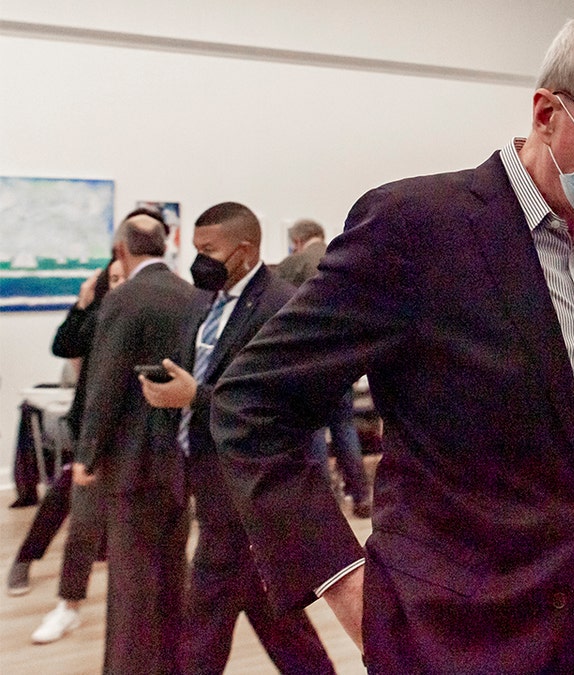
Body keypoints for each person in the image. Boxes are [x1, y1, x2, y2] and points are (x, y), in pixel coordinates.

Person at [211, 8, 574, 673]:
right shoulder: (417, 229)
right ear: (546, 113)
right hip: (445, 641)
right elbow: (250, 403)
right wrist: (345, 585)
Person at [138, 202, 335, 674]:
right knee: (265, 604)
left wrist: (196, 397)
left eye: (210, 250)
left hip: (245, 478)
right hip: (203, 471)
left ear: (244, 251)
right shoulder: (206, 301)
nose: (198, 260)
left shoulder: (283, 305)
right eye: (195, 248)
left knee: (206, 604)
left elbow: (283, 401)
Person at [72, 214, 198, 673]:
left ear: (122, 251)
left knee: (131, 583)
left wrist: (88, 453)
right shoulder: (193, 295)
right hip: (180, 457)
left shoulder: (125, 299)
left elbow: (104, 384)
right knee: (171, 573)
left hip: (131, 459)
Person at [7, 257, 124, 644]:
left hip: (129, 436)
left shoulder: (145, 315)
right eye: (116, 278)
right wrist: (82, 303)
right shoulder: (97, 317)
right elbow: (64, 346)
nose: (122, 283)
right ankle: (30, 564)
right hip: (90, 432)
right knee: (66, 500)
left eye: (127, 276)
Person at [276, 218, 372, 519]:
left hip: (306, 362)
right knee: (345, 427)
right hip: (344, 360)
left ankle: (325, 501)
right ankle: (361, 495)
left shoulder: (291, 265)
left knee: (314, 430)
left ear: (297, 241)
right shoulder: (346, 254)